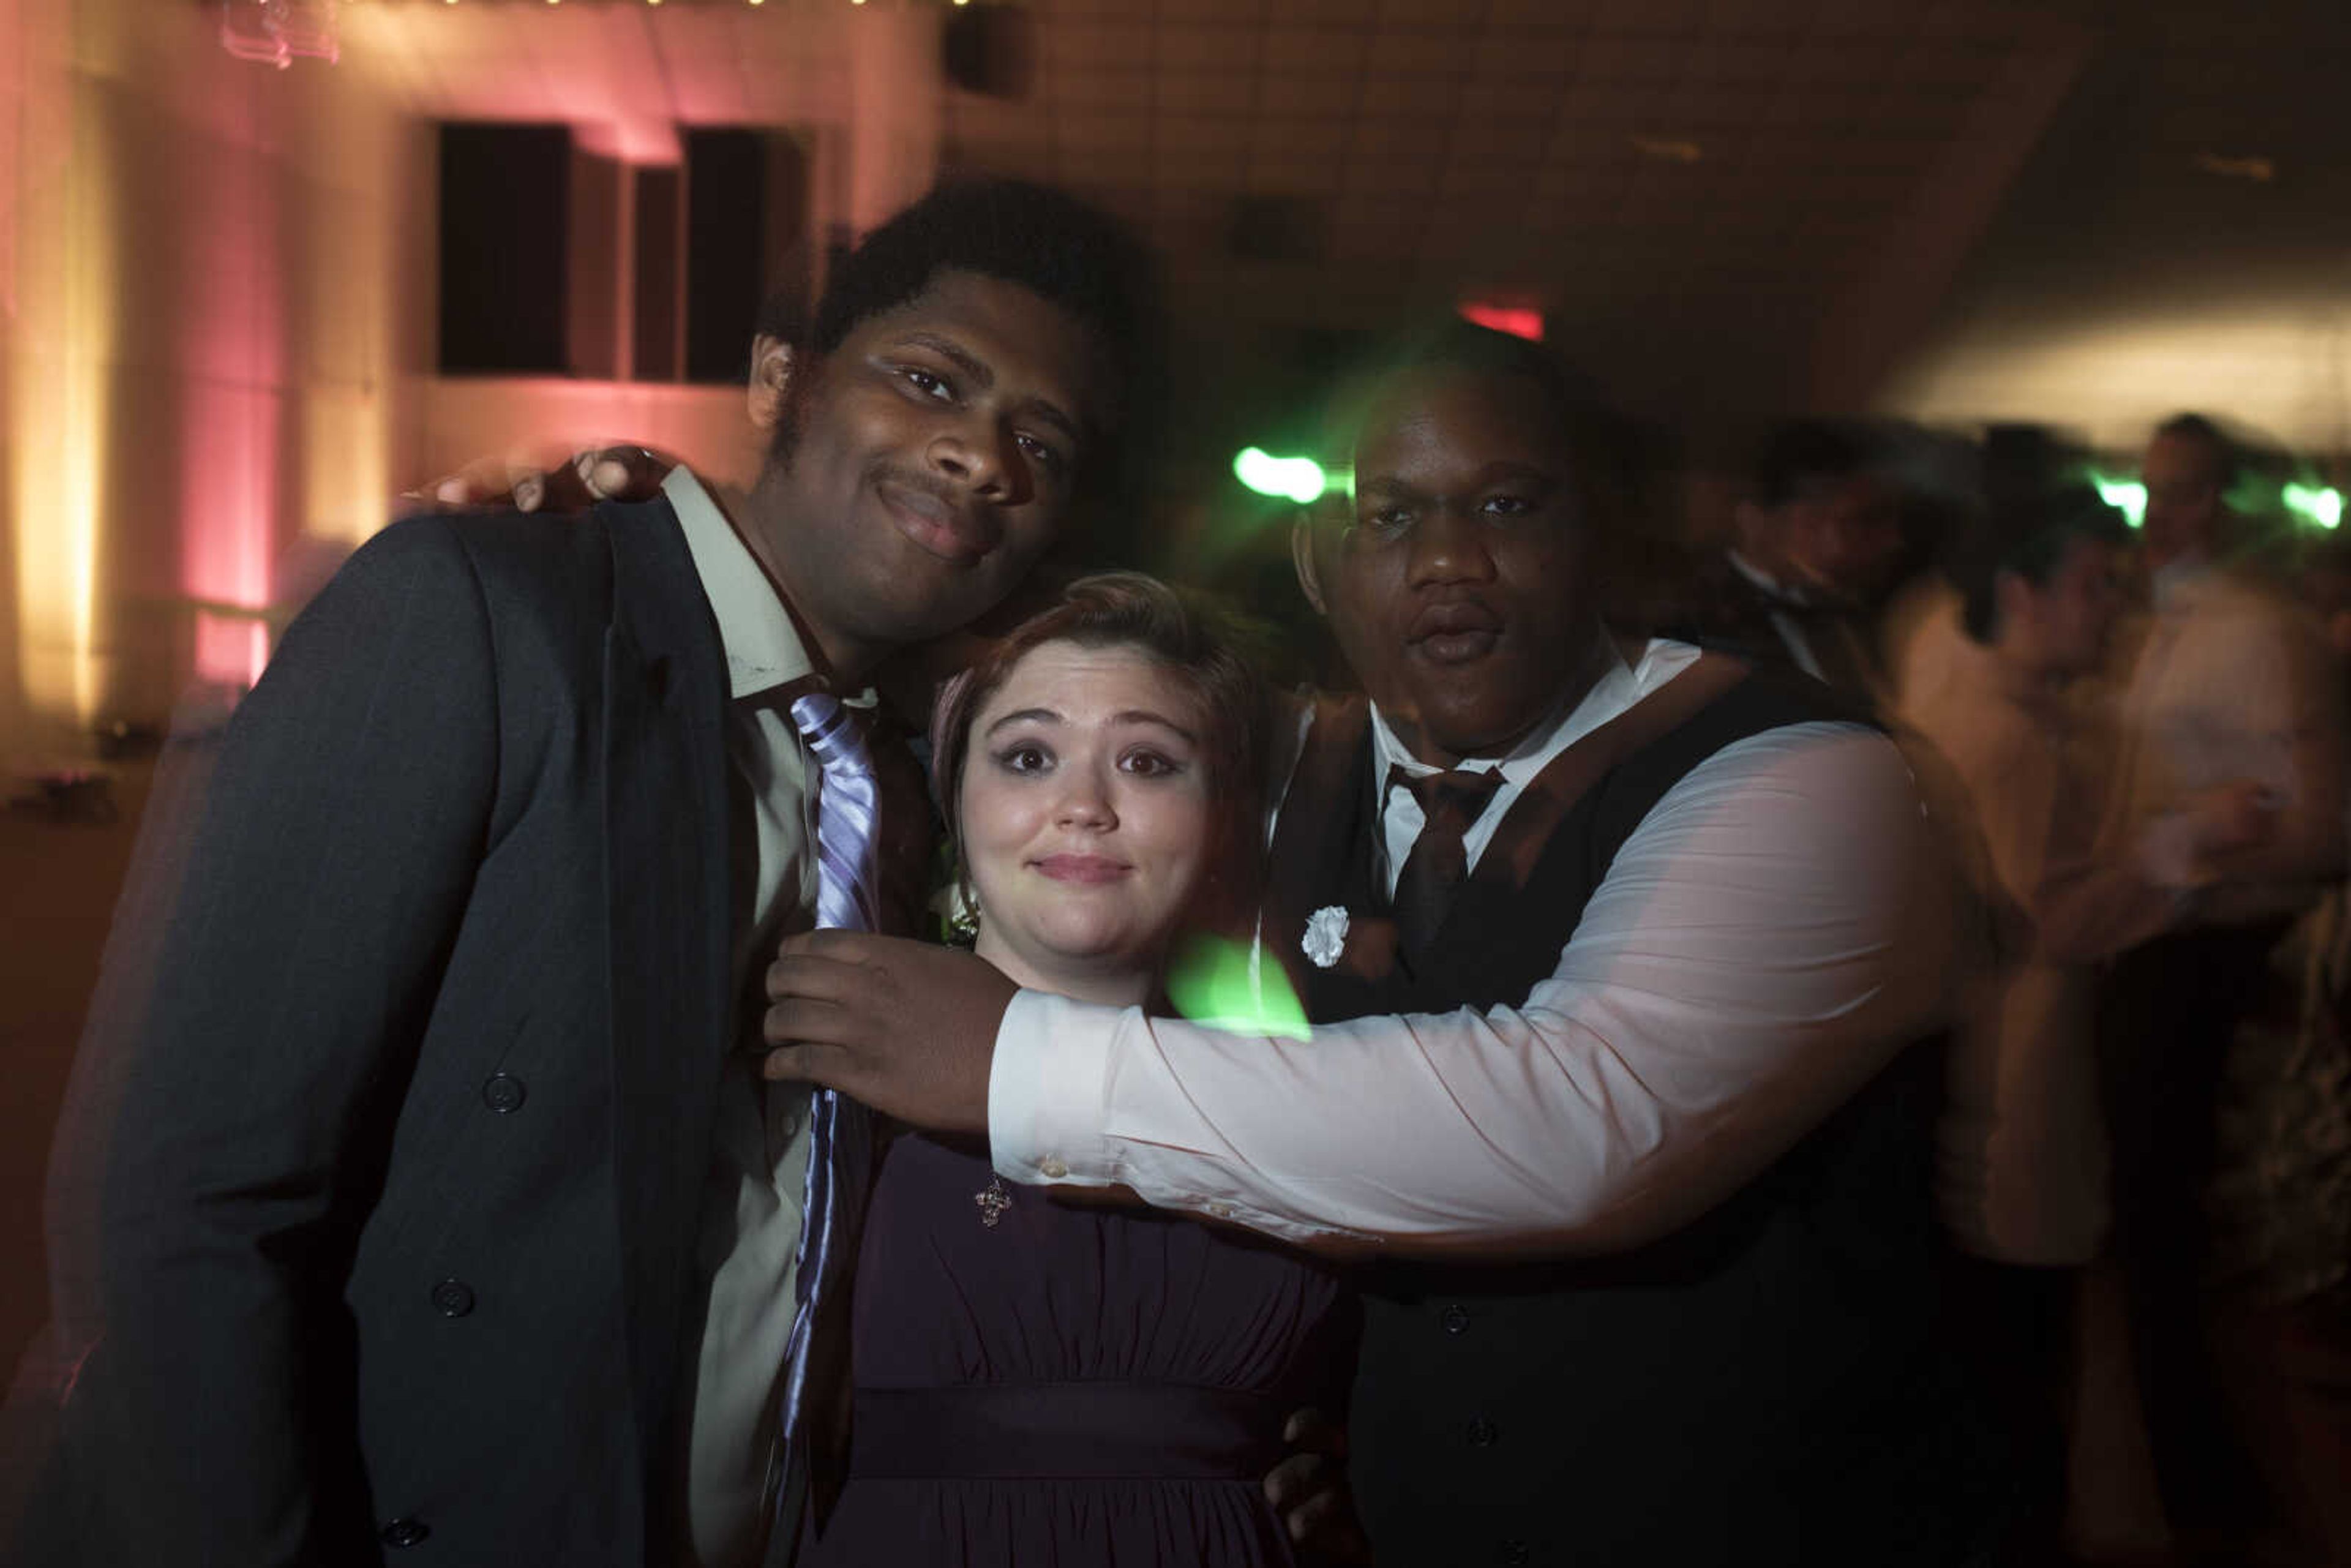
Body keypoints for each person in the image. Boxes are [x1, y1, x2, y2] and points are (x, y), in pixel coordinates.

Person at [13, 178, 1150, 1568]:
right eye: (928, 382)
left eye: (1042, 437)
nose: (984, 456)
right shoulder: (486, 614)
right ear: (777, 378)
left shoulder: (926, 783)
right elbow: (200, 1200)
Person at [759, 323, 2011, 1566]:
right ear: (1316, 561)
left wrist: (1015, 1059)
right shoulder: (1291, 777)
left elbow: (1587, 1120)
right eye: (1388, 515)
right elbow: (1021, 698)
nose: (1450, 559)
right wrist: (644, 542)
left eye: (1508, 502)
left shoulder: (1815, 774)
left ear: (1604, 532)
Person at [797, 573, 1355, 1566]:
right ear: (955, 811)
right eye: (1028, 756)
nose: (1084, 806)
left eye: (1147, 761)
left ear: (1223, 819)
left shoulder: (1307, 1088)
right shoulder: (823, 1044)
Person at [2094, 413, 2347, 1547]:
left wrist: (2195, 842)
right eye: (2153, 492)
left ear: (2240, 503)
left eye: (2188, 494)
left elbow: (2324, 829)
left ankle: (2234, 1516)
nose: (2163, 518)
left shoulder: (2263, 632)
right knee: (2151, 1257)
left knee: (2205, 1263)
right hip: (2149, 946)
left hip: (2224, 963)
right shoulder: (2143, 621)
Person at [1685, 417, 1908, 698]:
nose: (1893, 541)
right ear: (1757, 520)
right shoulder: (1702, 622)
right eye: (1863, 520)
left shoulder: (1854, 612)